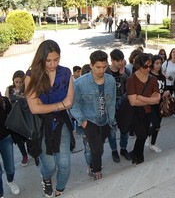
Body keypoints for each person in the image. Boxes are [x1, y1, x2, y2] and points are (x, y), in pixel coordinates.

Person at [24, 39, 75, 197]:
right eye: (48, 60)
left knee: (64, 164)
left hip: (61, 123)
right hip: (41, 125)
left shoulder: (66, 73)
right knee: (50, 165)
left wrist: (45, 105)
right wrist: (60, 104)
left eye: (56, 59)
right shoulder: (31, 75)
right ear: (41, 58)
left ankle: (59, 190)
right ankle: (46, 178)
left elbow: (70, 102)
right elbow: (34, 108)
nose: (53, 64)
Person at [71, 50, 116, 180]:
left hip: (105, 120)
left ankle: (92, 164)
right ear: (91, 65)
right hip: (89, 120)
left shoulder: (111, 80)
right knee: (96, 149)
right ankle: (95, 170)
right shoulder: (80, 83)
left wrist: (111, 119)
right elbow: (73, 105)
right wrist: (83, 121)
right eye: (98, 67)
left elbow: (112, 101)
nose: (101, 70)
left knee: (100, 148)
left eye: (104, 67)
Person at [127, 53, 160, 164]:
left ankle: (135, 154)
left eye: (150, 66)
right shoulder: (131, 79)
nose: (148, 69)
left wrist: (140, 98)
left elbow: (157, 99)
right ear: (138, 66)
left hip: (147, 111)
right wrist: (148, 99)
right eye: (145, 66)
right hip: (134, 113)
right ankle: (139, 157)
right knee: (141, 135)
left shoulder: (153, 79)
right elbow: (132, 102)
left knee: (144, 135)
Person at [105, 49, 131, 163]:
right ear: (112, 60)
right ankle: (114, 150)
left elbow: (130, 86)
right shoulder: (105, 72)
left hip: (123, 104)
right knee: (112, 131)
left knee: (124, 129)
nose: (121, 63)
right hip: (110, 105)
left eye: (122, 60)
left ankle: (123, 148)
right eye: (118, 61)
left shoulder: (126, 71)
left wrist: (123, 75)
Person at [145, 55, 170, 153]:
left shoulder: (162, 77)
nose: (159, 65)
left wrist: (167, 92)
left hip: (160, 104)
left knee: (157, 126)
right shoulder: (148, 76)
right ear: (152, 64)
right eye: (157, 63)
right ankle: (147, 135)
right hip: (150, 104)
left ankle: (153, 143)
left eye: (160, 63)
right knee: (156, 124)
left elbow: (165, 88)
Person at [5, 70, 29, 167]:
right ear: (13, 81)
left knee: (29, 137)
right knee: (18, 139)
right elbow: (6, 103)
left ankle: (33, 153)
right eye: (16, 82)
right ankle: (24, 155)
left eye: (20, 82)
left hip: (25, 117)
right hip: (15, 118)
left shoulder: (27, 89)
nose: (18, 84)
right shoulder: (9, 89)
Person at [0, 92, 20, 197]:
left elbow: (12, 117)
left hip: (5, 138)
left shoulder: (4, 101)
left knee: (10, 168)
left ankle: (10, 181)